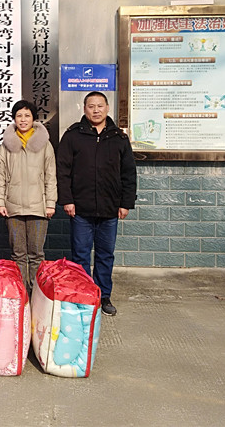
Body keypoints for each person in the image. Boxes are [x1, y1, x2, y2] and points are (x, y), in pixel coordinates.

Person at [57, 91, 136, 317]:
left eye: (100, 106)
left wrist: (125, 203)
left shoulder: (118, 138)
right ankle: (82, 296)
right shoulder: (73, 136)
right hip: (80, 210)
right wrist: (67, 200)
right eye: (91, 106)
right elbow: (62, 171)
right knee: (80, 255)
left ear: (107, 108)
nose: (96, 110)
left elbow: (128, 173)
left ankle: (104, 296)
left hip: (110, 209)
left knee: (105, 255)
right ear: (84, 109)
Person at [0, 99, 57, 292]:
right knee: (18, 254)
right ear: (14, 119)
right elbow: (0, 175)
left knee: (36, 254)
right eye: (19, 116)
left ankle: (37, 293)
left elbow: (51, 176)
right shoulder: (6, 146)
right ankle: (21, 294)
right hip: (13, 207)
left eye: (27, 115)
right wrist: (0, 201)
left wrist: (50, 203)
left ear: (33, 118)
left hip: (38, 207)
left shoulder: (45, 145)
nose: (23, 119)